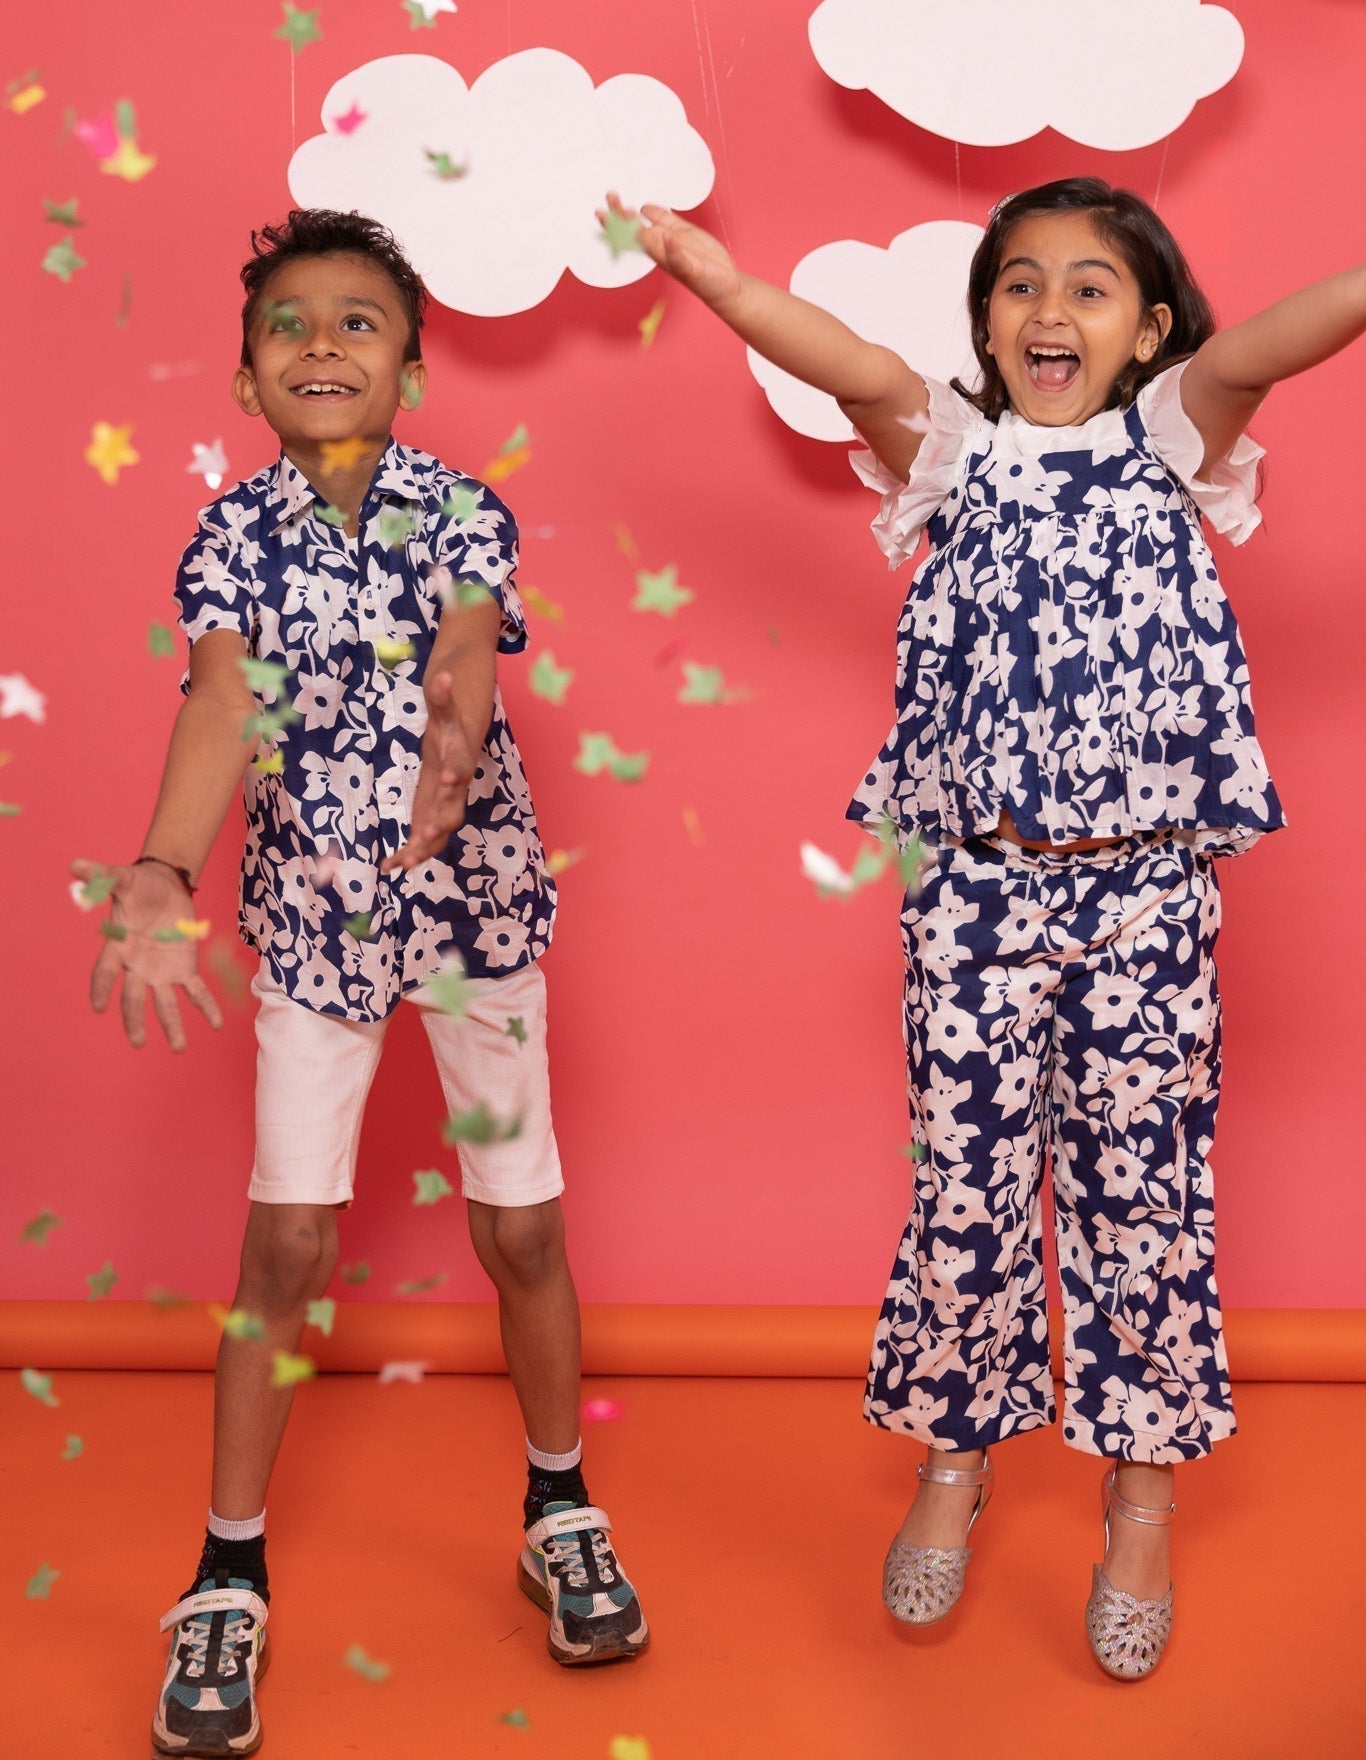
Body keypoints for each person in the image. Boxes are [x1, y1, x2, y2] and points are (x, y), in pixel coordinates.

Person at [607, 174, 1361, 1681]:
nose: (1049, 309)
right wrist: (714, 277)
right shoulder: (954, 458)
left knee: (1141, 1196)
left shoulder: (1169, 439)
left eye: (1089, 287)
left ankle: (1138, 1501)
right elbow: (847, 364)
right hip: (974, 892)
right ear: (988, 324)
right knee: (966, 1188)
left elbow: (1268, 345)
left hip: (1144, 895)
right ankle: (953, 1461)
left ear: (1148, 330)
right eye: (1019, 284)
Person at [75, 208, 648, 1759]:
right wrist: (161, 868)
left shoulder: (464, 509)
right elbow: (219, 703)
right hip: (317, 926)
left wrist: (455, 715)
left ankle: (558, 1506)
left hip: (473, 919)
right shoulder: (227, 540)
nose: (321, 343)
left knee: (522, 1229)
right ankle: (228, 1571)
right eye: (289, 324)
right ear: (246, 378)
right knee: (286, 1246)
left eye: (357, 322)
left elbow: (467, 635)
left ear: (410, 369)